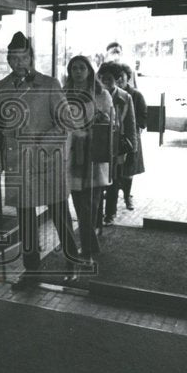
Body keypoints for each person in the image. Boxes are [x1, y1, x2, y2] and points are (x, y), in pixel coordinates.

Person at [0, 32, 80, 290]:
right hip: (17, 164)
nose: (19, 63)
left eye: (24, 57)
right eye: (14, 58)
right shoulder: (1, 87)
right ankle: (31, 271)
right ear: (8, 60)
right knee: (26, 220)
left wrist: (40, 144)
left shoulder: (49, 84)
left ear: (31, 58)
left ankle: (72, 264)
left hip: (47, 162)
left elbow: (66, 124)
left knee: (60, 214)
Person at [63, 55, 114, 268]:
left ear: (89, 71)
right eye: (74, 68)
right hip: (73, 156)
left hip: (94, 157)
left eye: (81, 68)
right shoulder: (63, 94)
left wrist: (101, 120)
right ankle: (89, 245)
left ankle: (87, 246)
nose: (77, 71)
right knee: (79, 202)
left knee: (90, 204)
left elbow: (111, 122)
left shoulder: (101, 94)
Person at [97, 62, 137, 223]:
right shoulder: (96, 94)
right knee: (99, 180)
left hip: (117, 145)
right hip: (99, 143)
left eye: (110, 78)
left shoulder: (125, 97)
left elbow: (130, 123)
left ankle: (110, 214)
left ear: (117, 79)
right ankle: (97, 213)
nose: (106, 81)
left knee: (114, 179)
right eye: (103, 78)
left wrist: (132, 149)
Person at [114, 63, 146, 209]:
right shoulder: (109, 93)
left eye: (122, 77)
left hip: (130, 138)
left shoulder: (135, 95)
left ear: (128, 77)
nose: (119, 79)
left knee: (128, 170)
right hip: (114, 138)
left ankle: (127, 196)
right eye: (117, 77)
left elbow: (143, 117)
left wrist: (133, 127)